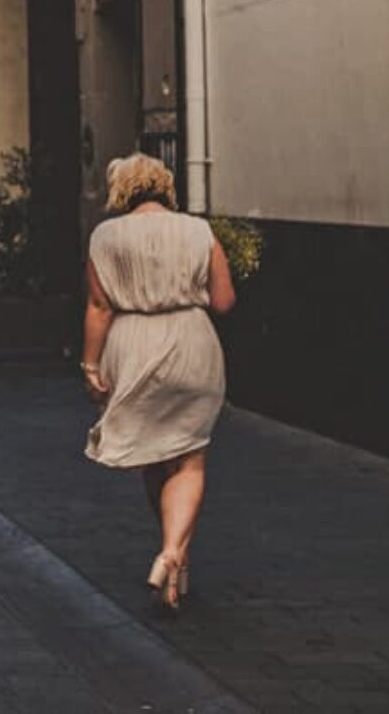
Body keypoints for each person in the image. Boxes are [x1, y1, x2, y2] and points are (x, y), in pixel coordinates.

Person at [80, 152, 237, 611]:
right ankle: (174, 555)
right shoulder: (197, 230)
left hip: (134, 345)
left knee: (153, 455)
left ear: (121, 189)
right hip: (192, 342)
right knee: (189, 457)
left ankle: (172, 553)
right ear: (165, 185)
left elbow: (99, 306)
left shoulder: (106, 236)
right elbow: (224, 301)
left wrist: (90, 366)